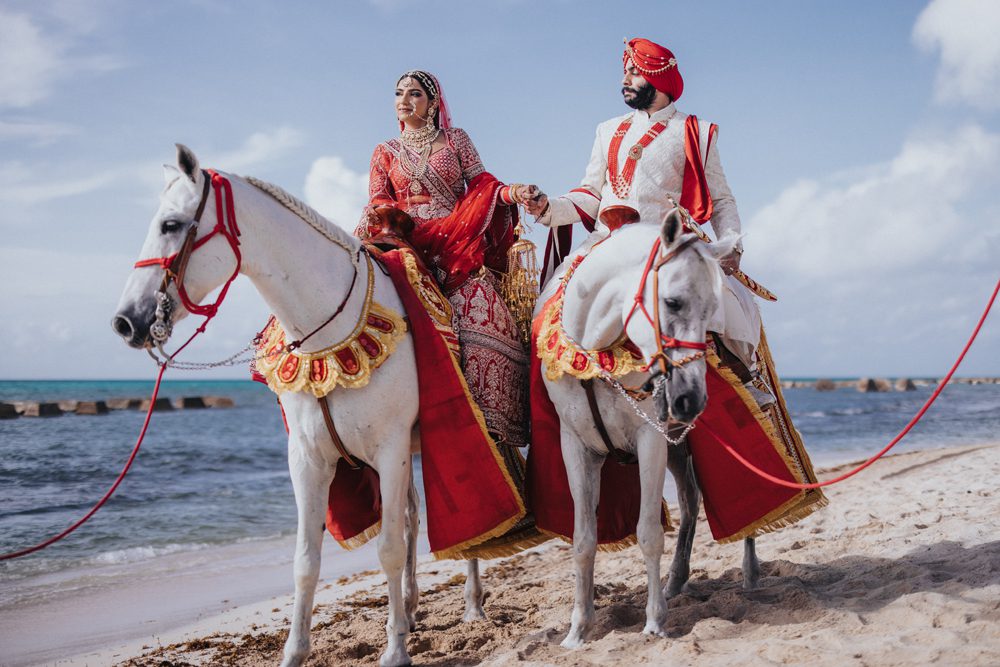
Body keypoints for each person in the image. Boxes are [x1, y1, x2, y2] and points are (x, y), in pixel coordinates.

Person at [526, 38, 769, 402]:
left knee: (727, 304)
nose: (625, 79)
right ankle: (545, 409)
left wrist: (731, 245)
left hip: (666, 246)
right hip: (605, 245)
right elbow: (591, 193)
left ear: (659, 78)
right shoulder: (607, 130)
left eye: (634, 72)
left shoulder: (695, 131)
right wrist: (549, 208)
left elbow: (720, 199)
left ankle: (744, 386)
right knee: (546, 310)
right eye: (625, 71)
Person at [355, 70, 536, 446]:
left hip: (455, 243)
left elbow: (483, 184)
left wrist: (513, 193)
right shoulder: (385, 150)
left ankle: (488, 424)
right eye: (399, 93)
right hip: (404, 240)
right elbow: (379, 198)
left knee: (481, 311)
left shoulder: (456, 140)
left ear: (433, 102)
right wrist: (388, 218)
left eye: (414, 94)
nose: (404, 101)